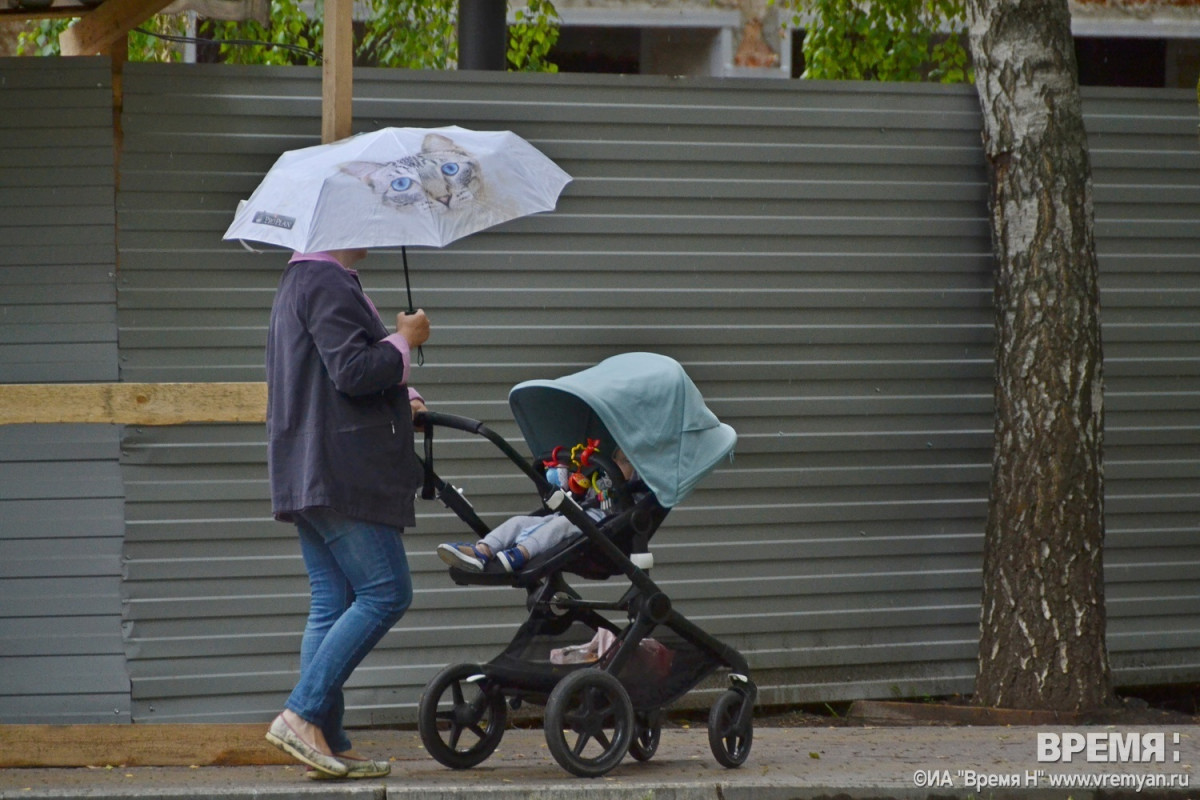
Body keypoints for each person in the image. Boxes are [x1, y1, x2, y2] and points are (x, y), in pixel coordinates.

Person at [263, 248, 429, 780]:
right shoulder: (326, 281)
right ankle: (302, 714)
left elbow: (330, 370)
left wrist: (404, 391)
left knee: (331, 602)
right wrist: (406, 342)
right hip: (340, 469)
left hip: (307, 465)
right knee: (387, 591)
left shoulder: (302, 281)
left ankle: (326, 740)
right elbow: (353, 370)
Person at [438, 448, 638, 573]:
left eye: (625, 461)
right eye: (615, 459)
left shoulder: (635, 491)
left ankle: (521, 553)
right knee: (519, 521)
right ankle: (482, 551)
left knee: (564, 523)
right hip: (571, 515)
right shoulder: (600, 480)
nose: (616, 465)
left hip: (602, 533)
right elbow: (576, 491)